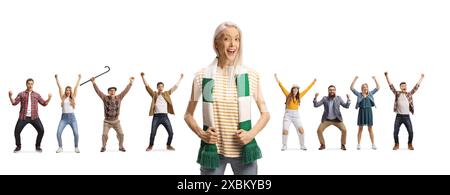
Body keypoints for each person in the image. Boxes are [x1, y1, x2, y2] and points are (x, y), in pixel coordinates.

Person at [184, 22, 270, 175]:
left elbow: (265, 114)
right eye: (226, 39)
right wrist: (201, 133)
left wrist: (251, 134)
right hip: (213, 152)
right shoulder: (202, 76)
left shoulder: (250, 76)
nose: (233, 44)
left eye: (237, 39)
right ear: (216, 43)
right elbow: (188, 115)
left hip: (244, 151)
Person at [141, 72, 184, 151]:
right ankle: (150, 145)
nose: (160, 87)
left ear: (163, 87)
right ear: (157, 87)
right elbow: (147, 86)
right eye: (159, 86)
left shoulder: (166, 94)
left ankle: (168, 145)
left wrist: (180, 78)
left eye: (162, 86)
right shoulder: (154, 94)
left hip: (165, 117)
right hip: (156, 117)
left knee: (171, 133)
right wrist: (142, 77)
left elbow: (175, 87)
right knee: (153, 133)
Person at [91, 76, 134, 152]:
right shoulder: (105, 98)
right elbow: (98, 91)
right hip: (107, 122)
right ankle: (103, 147)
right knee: (104, 135)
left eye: (113, 90)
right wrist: (94, 83)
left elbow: (125, 91)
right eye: (110, 90)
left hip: (116, 121)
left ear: (115, 92)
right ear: (108, 92)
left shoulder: (119, 97)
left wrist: (130, 83)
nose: (112, 91)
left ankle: (121, 147)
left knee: (121, 134)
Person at [274, 73, 316, 151]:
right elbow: (281, 86)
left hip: (296, 115)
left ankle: (302, 145)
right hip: (288, 115)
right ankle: (284, 145)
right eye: (294, 88)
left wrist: (313, 82)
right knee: (285, 130)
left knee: (301, 130)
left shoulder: (300, 96)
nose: (295, 90)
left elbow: (307, 89)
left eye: (297, 89)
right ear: (292, 89)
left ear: (298, 90)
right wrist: (276, 77)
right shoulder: (288, 95)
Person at [9, 78, 52, 153]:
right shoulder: (21, 94)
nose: (30, 85)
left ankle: (38, 146)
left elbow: (44, 103)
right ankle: (18, 146)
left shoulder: (37, 95)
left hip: (34, 117)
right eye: (29, 83)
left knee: (41, 130)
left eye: (31, 84)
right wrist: (10, 96)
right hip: (23, 117)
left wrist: (49, 98)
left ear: (33, 84)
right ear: (26, 84)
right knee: (16, 131)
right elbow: (14, 103)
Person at [384, 72, 424, 150]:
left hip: (406, 116)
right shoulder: (397, 93)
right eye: (402, 86)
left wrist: (421, 78)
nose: (403, 87)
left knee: (411, 131)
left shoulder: (409, 94)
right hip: (398, 116)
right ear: (400, 87)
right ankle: (396, 144)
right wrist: (387, 76)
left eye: (405, 86)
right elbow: (391, 86)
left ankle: (410, 144)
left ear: (406, 87)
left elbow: (416, 87)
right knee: (395, 131)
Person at [313, 85, 350, 150]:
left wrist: (348, 100)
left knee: (344, 130)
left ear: (335, 91)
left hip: (337, 119)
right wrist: (315, 98)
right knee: (319, 131)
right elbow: (316, 105)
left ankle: (343, 145)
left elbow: (346, 106)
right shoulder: (325, 98)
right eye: (330, 90)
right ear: (328, 91)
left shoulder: (338, 98)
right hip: (327, 119)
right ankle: (322, 144)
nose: (332, 91)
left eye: (333, 90)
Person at [350, 76, 380, 150]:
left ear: (367, 88)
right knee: (360, 129)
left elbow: (378, 87)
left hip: (369, 111)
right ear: (362, 88)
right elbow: (351, 88)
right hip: (361, 111)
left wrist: (375, 79)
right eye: (363, 87)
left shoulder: (370, 93)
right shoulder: (359, 94)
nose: (365, 88)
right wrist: (355, 79)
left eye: (366, 87)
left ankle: (373, 144)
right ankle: (358, 144)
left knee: (370, 128)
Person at [55, 74, 82, 153]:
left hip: (72, 118)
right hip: (64, 118)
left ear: (70, 91)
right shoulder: (62, 97)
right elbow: (59, 87)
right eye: (67, 90)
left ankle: (76, 147)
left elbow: (76, 87)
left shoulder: (73, 97)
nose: (68, 91)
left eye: (69, 90)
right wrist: (57, 78)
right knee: (58, 133)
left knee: (76, 133)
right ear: (65, 91)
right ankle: (60, 147)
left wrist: (79, 78)